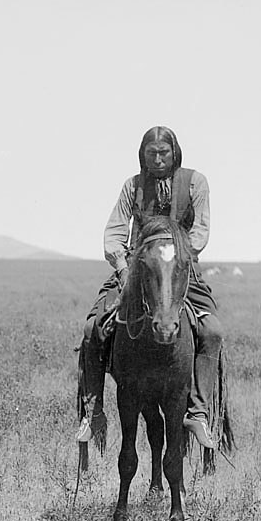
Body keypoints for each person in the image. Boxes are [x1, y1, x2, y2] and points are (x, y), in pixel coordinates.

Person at [81, 126, 221, 449]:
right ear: (142, 155)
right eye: (151, 153)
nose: (158, 159)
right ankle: (93, 412)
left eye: (164, 153)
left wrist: (180, 257)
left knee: (212, 331)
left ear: (176, 153)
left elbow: (200, 231)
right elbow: (114, 233)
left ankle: (197, 413)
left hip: (179, 269)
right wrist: (123, 267)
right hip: (136, 270)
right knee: (93, 329)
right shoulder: (132, 186)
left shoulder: (196, 183)